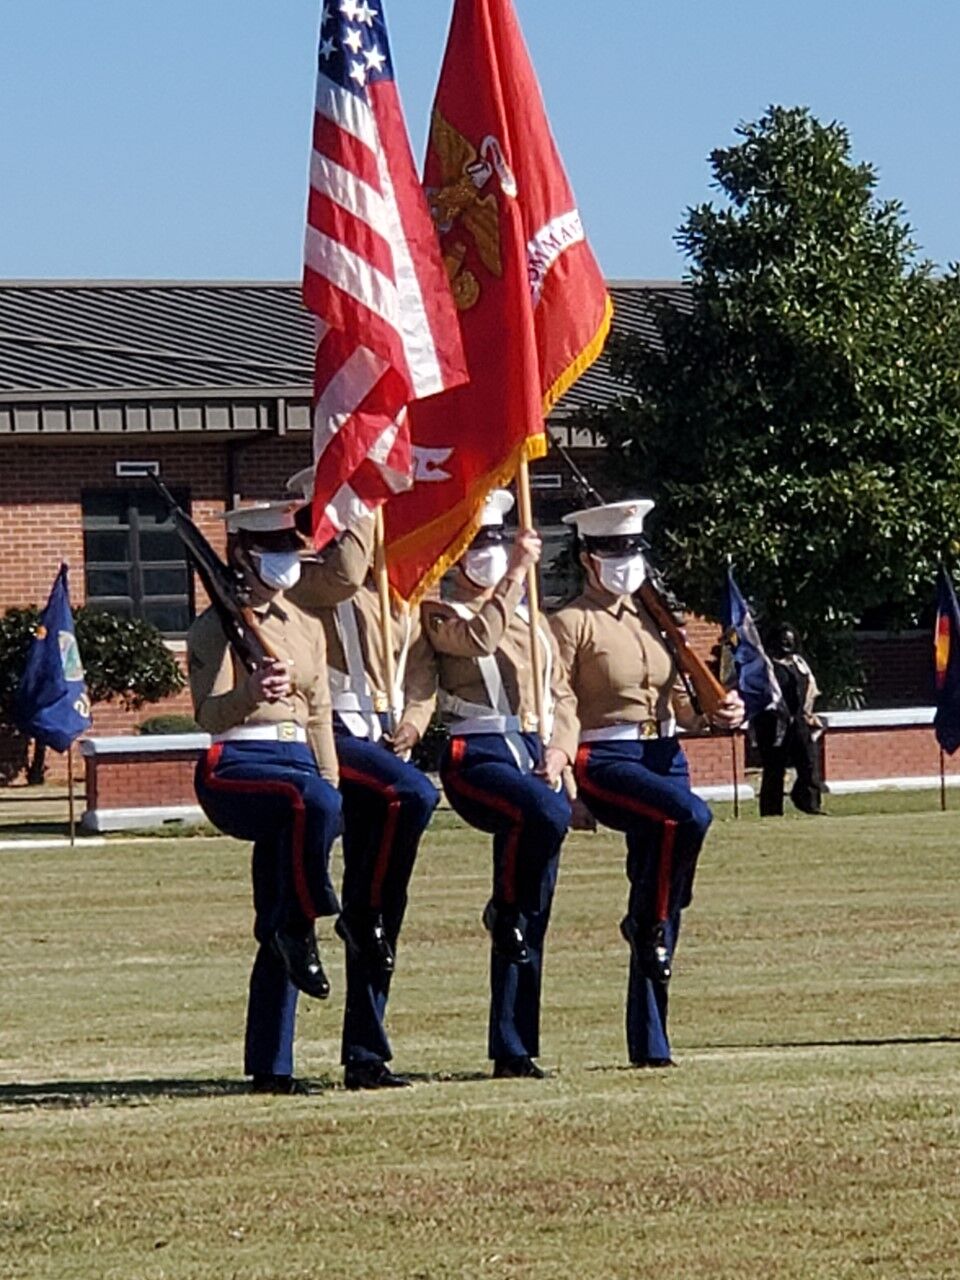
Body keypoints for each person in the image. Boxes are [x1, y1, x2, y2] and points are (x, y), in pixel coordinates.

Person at [551, 499, 744, 1068]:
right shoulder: (569, 623)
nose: (626, 561)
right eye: (613, 551)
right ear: (589, 559)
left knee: (656, 895)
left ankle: (651, 1043)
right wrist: (566, 779)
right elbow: (557, 701)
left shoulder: (655, 623)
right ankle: (647, 921)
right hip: (605, 759)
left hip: (663, 753)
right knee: (690, 818)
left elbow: (679, 701)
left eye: (633, 550)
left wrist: (716, 711)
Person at [188, 499, 371, 1095]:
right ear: (244, 554)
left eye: (294, 551)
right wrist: (248, 690)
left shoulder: (303, 624)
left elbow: (319, 715)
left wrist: (333, 782)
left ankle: (272, 1065)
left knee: (277, 912)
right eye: (278, 552)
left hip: (297, 764)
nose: (290, 563)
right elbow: (209, 716)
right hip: (239, 762)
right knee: (307, 805)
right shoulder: (216, 625)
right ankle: (312, 915)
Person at [421, 489, 579, 1080]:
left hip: (536, 752)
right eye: (479, 542)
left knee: (533, 908)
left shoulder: (533, 618)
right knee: (544, 821)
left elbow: (561, 693)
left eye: (498, 539)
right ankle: (502, 907)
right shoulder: (438, 611)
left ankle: (515, 1047)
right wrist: (515, 573)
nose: (491, 551)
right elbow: (478, 642)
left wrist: (563, 747)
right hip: (477, 750)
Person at [288, 481, 439, 1091]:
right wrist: (360, 495)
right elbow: (344, 573)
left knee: (384, 914)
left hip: (381, 738)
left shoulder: (394, 588)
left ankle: (366, 1054)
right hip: (327, 738)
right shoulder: (306, 581)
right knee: (416, 795)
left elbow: (422, 663)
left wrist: (415, 719)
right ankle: (359, 913)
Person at [753, 622, 823, 817]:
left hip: (799, 721)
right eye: (783, 641)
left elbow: (810, 689)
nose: (787, 645)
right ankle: (771, 811)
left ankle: (810, 804)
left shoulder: (799, 664)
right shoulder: (764, 665)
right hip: (772, 723)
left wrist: (808, 713)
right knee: (774, 768)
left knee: (809, 763)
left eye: (790, 641)